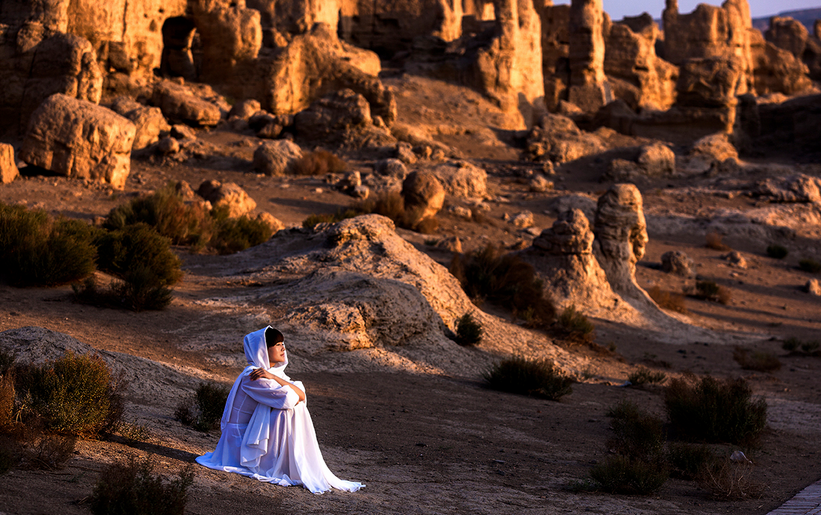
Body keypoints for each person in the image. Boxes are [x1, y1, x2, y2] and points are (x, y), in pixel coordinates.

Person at [196, 326, 364, 494]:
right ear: (263, 349)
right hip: (240, 441)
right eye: (277, 344)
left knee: (296, 407)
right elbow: (288, 399)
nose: (283, 348)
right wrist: (283, 384)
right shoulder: (253, 376)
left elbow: (302, 395)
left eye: (283, 343)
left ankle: (294, 463)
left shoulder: (271, 374)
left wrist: (275, 378)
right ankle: (290, 465)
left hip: (253, 435)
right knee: (289, 410)